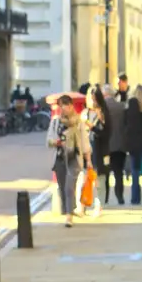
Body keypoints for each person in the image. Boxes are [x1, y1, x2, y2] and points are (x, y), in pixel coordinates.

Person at [47, 93, 91, 225]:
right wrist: (55, 142)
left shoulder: (78, 123)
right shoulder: (55, 122)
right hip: (60, 158)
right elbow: (48, 140)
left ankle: (69, 216)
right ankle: (67, 210)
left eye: (66, 106)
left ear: (72, 106)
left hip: (74, 158)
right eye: (61, 106)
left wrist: (88, 160)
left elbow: (85, 142)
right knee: (62, 187)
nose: (63, 109)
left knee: (69, 187)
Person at [104, 79, 129, 205]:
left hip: (106, 147)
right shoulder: (121, 107)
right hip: (120, 145)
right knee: (119, 172)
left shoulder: (102, 108)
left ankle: (105, 197)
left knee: (106, 173)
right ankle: (120, 196)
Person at [87, 85, 110, 205]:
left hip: (102, 150)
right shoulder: (87, 112)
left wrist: (93, 128)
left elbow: (106, 132)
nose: (93, 102)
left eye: (95, 99)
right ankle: (84, 204)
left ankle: (100, 204)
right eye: (91, 99)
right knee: (86, 178)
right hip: (89, 150)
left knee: (101, 177)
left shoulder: (103, 112)